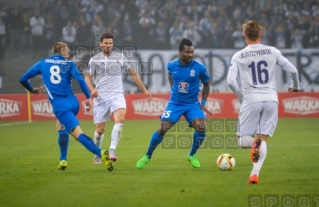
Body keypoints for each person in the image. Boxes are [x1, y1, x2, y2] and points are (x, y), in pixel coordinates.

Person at [19, 42, 114, 171]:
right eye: (67, 51)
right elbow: (80, 80)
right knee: (60, 125)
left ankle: (100, 153)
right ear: (61, 51)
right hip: (73, 102)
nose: (69, 53)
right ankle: (62, 160)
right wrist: (87, 98)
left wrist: (31, 89)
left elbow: (23, 79)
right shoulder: (69, 64)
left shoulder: (42, 63)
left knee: (77, 134)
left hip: (60, 105)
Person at [227, 20, 300, 184]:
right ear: (261, 35)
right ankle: (254, 173)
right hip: (271, 99)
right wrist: (295, 86)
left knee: (243, 140)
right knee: (263, 139)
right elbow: (293, 70)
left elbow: (231, 81)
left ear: (245, 36)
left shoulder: (238, 56)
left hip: (251, 99)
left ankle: (254, 144)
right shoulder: (272, 51)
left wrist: (241, 98)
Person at [136, 38, 212, 169]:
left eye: (192, 52)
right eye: (187, 52)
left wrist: (203, 102)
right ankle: (147, 156)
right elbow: (170, 75)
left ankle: (192, 155)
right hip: (175, 103)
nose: (190, 55)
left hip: (192, 105)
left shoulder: (200, 68)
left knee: (201, 126)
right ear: (180, 52)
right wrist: (173, 89)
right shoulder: (171, 65)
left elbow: (207, 85)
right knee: (164, 127)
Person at [84, 32, 151, 164]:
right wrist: (92, 90)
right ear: (101, 44)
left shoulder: (120, 57)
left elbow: (132, 72)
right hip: (101, 97)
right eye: (106, 43)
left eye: (110, 43)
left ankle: (112, 149)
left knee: (120, 118)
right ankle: (97, 152)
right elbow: (87, 77)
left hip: (117, 94)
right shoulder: (94, 59)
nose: (108, 45)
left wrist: (144, 89)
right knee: (100, 130)